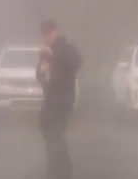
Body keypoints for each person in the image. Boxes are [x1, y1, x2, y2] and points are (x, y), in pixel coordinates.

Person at [36, 19, 82, 179]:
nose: (47, 36)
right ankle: (60, 166)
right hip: (50, 97)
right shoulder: (45, 51)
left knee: (55, 132)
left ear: (56, 31)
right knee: (46, 128)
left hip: (63, 97)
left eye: (50, 32)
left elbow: (75, 63)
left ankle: (59, 170)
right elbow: (39, 75)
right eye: (44, 34)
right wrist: (41, 71)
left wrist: (53, 57)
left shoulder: (67, 48)